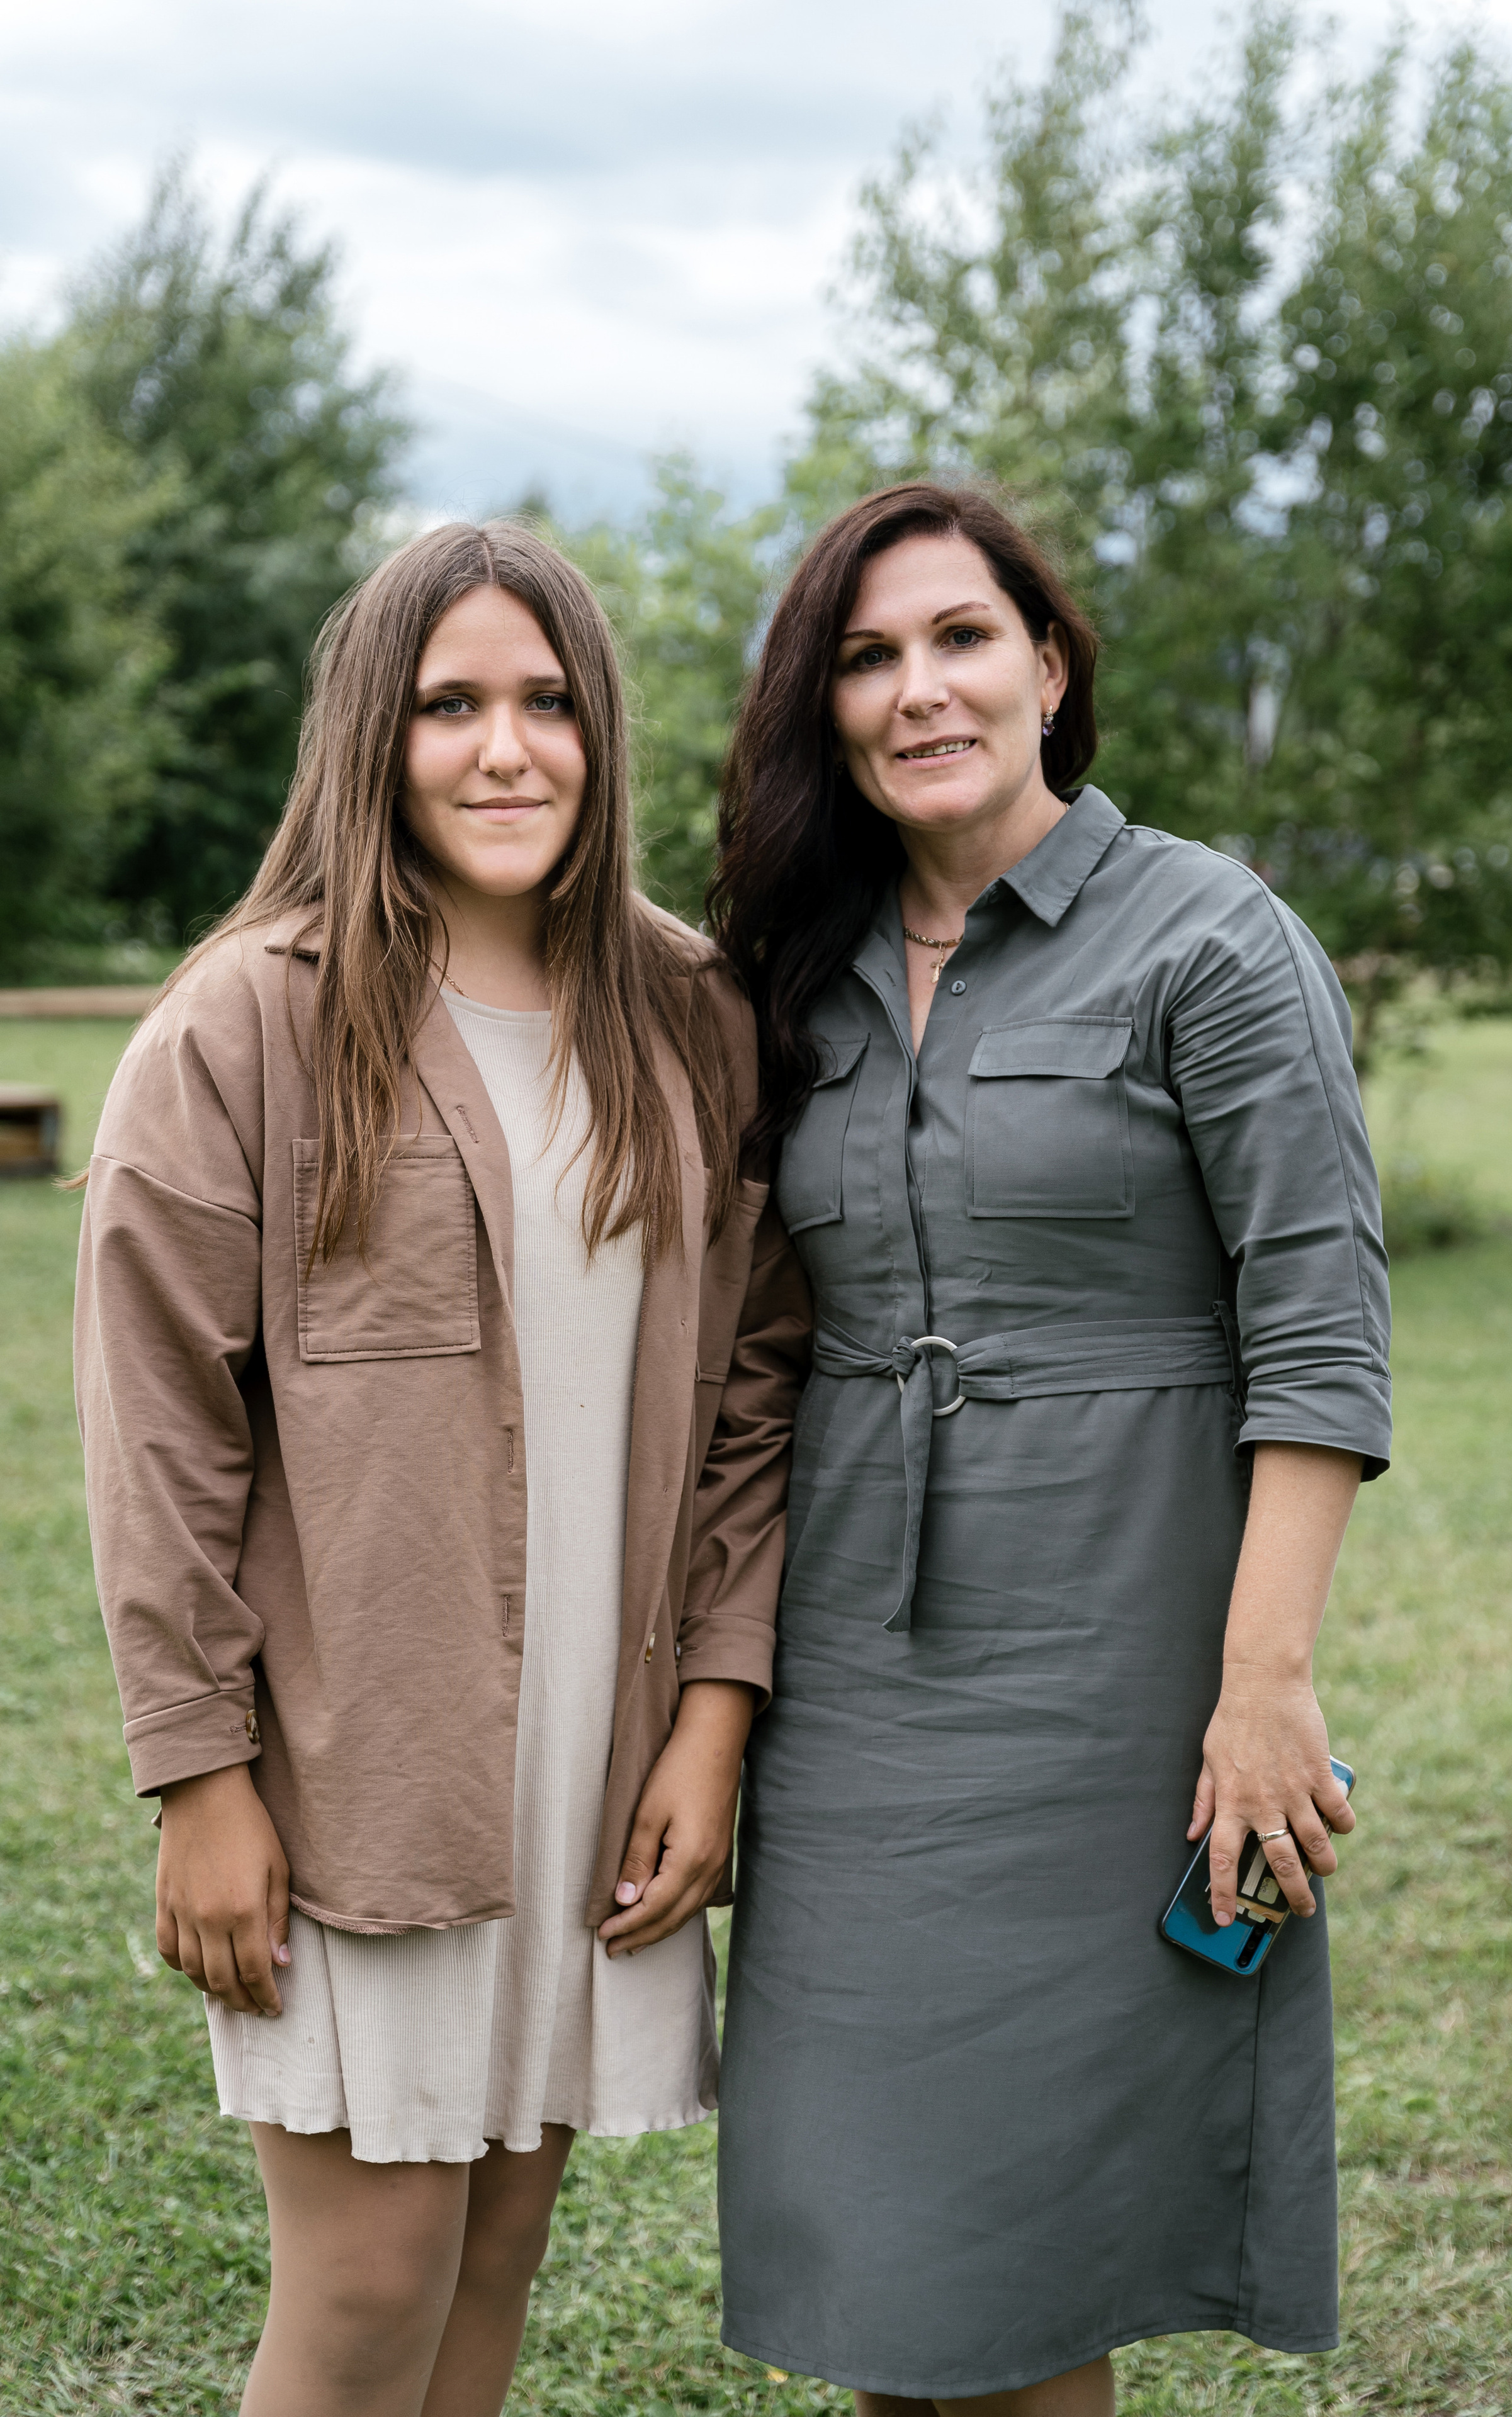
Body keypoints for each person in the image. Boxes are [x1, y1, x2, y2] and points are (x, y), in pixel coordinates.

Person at [74, 521, 809, 2417]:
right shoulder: (247, 1023)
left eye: (548, 701)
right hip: (354, 1765)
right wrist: (198, 1776)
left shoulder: (691, 1014)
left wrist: (714, 1718)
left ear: (601, 730)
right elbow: (157, 1429)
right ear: (370, 736)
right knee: (371, 2275)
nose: (505, 749)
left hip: (600, 1752)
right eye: (449, 704)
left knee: (498, 2247)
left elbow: (754, 1393)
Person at [708, 482, 1392, 2416]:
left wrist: (1264, 1688)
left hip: (1120, 1684)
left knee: (1023, 2268)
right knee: (879, 2262)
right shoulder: (797, 973)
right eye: (868, 658)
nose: (919, 689)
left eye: (961, 638)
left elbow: (1318, 1337)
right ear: (827, 710)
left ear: (1050, 668)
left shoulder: (1214, 938)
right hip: (853, 1699)